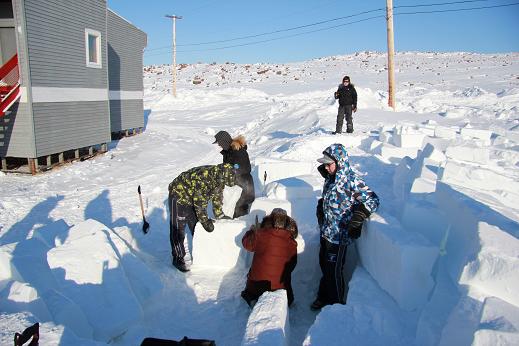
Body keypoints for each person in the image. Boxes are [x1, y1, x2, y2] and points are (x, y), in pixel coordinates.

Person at [311, 143, 379, 310]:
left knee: (334, 271)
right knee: (324, 266)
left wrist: (358, 218)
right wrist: (321, 207)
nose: (326, 167)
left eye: (329, 164)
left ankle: (335, 306)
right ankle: (324, 296)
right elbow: (329, 199)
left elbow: (373, 200)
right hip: (326, 232)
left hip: (339, 236)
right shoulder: (330, 179)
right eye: (325, 164)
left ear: (340, 162)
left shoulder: (351, 181)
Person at [168, 163, 236, 272]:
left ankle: (201, 253)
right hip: (178, 195)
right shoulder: (204, 178)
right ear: (221, 177)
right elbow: (200, 204)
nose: (224, 184)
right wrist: (205, 221)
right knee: (178, 227)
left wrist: (220, 214)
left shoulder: (220, 177)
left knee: (196, 226)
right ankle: (178, 257)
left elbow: (217, 196)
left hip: (191, 196)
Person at [241, 208, 298, 308]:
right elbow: (292, 265)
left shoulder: (261, 235)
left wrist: (253, 231)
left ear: (270, 219)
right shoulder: (291, 242)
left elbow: (246, 243)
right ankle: (285, 301)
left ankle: (253, 299)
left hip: (256, 288)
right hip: (279, 289)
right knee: (286, 284)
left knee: (249, 291)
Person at [213, 130, 255, 218]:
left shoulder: (238, 152)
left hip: (244, 186)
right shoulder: (229, 152)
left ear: (224, 141)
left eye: (219, 143)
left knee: (240, 213)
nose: (219, 145)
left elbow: (244, 169)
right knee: (234, 210)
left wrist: (230, 173)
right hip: (237, 186)